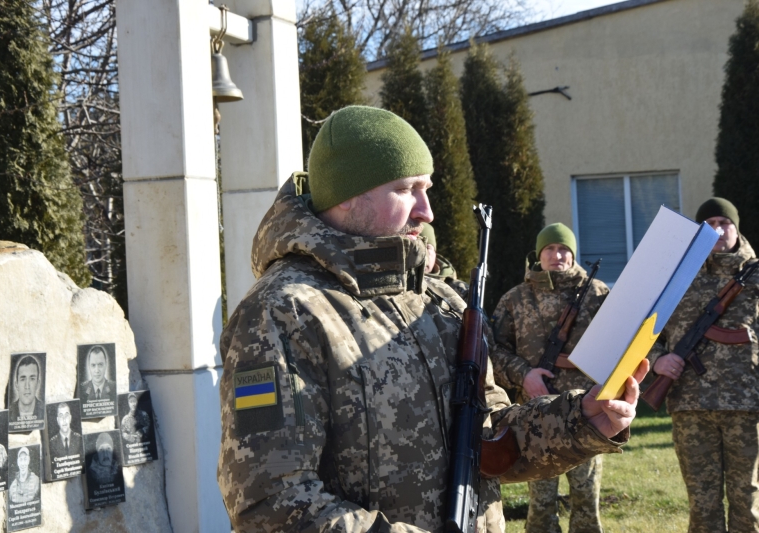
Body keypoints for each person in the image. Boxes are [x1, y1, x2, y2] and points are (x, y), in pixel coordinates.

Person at [217, 105, 647, 533]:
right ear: (346, 197)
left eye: (428, 189)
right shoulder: (282, 312)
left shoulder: (437, 300)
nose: (428, 211)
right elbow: (271, 505)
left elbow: (490, 436)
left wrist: (584, 419)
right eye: (407, 190)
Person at [491, 223, 610, 533]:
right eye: (549, 249)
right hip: (535, 414)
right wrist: (524, 375)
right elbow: (493, 351)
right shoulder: (515, 298)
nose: (557, 255)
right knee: (541, 504)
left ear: (572, 254)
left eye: (563, 249)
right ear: (538, 255)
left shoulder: (597, 294)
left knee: (586, 499)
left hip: (587, 411)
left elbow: (618, 344)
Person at [650, 198, 759, 533]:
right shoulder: (676, 279)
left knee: (748, 502)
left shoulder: (755, 276)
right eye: (709, 224)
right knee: (702, 502)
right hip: (690, 407)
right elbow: (644, 333)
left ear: (736, 228)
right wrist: (658, 361)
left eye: (724, 223)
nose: (717, 230)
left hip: (746, 406)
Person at [9, 355, 44, 422]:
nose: (27, 386)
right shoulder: (8, 412)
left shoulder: (44, 411)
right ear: (16, 384)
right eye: (23, 379)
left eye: (32, 379)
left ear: (38, 384)